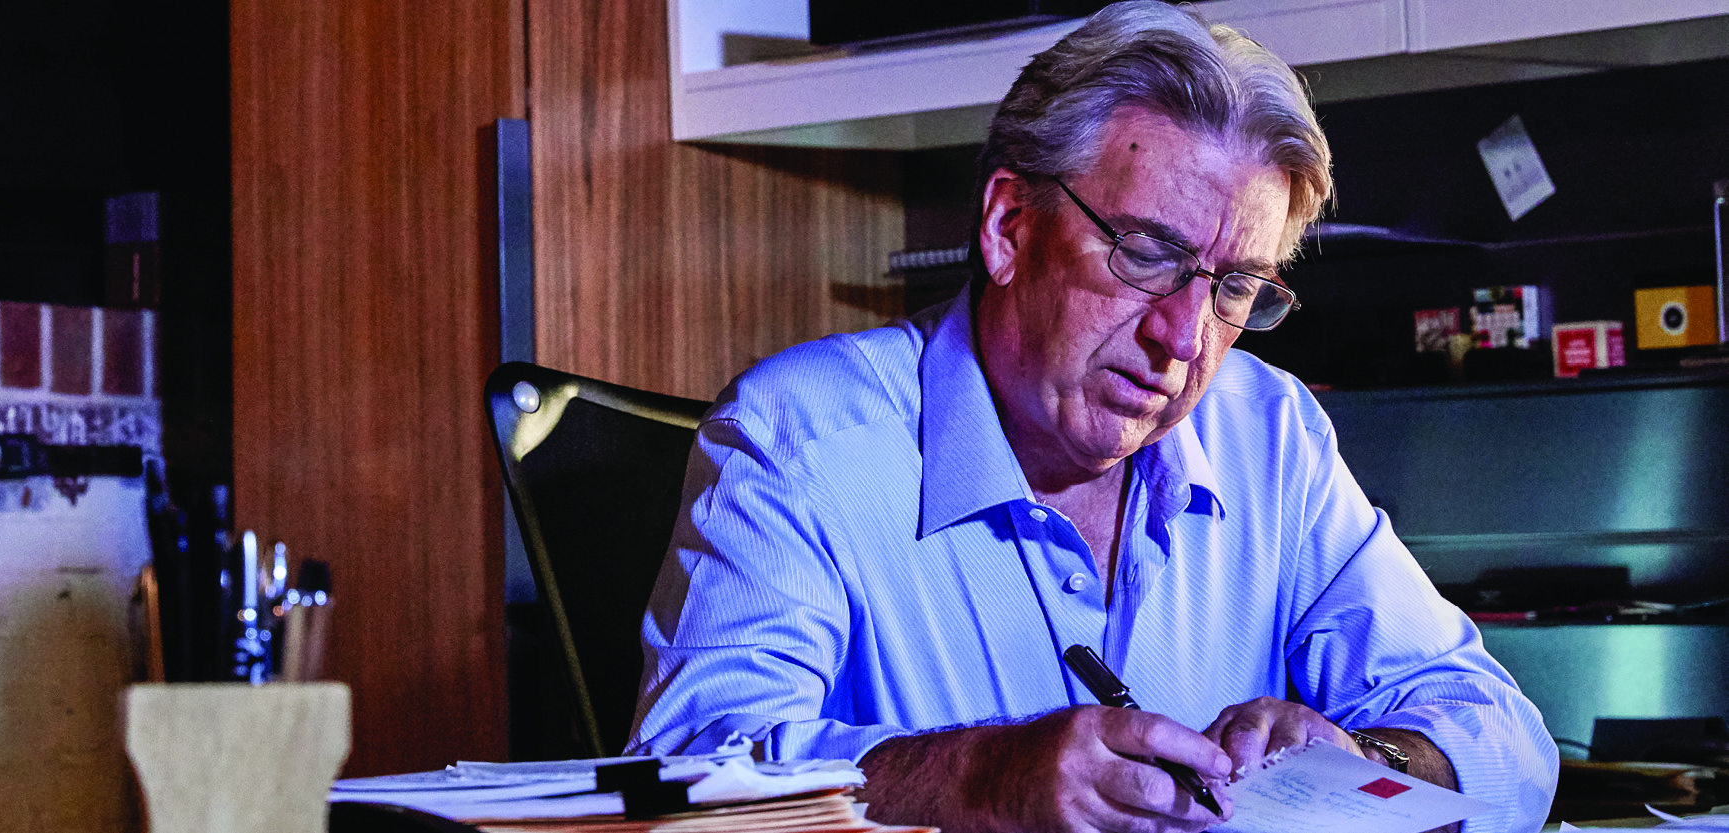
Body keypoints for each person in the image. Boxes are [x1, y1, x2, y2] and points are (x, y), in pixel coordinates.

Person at [627, 3, 1557, 832]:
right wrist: (977, 779)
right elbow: (688, 778)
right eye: (1149, 254)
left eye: (1235, 287)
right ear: (1007, 226)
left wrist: (1372, 763)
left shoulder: (1271, 433)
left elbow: (1503, 736)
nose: (1185, 339)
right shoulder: (800, 437)